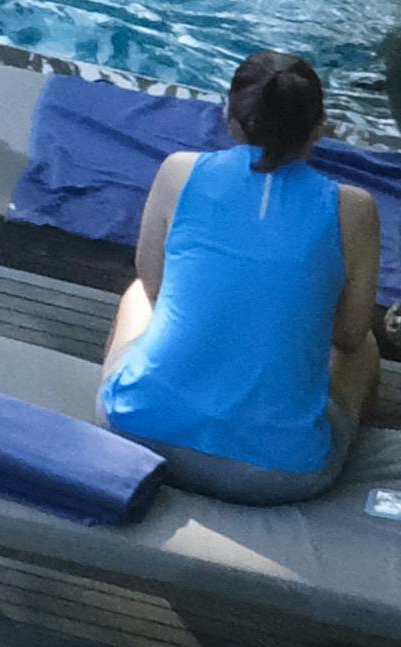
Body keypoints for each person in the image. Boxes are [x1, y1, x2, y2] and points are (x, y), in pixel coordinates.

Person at [97, 45, 382, 496]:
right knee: (364, 347)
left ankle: (164, 391)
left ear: (230, 119)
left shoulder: (178, 172)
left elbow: (154, 284)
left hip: (138, 431)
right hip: (280, 476)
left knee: (139, 292)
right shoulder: (354, 209)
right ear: (319, 128)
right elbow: (347, 336)